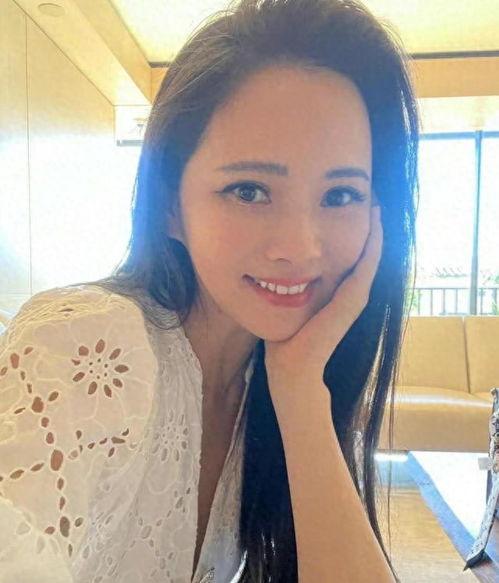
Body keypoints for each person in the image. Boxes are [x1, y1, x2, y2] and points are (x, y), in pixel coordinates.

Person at [0, 0, 419, 581]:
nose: (299, 247)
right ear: (170, 206)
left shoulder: (264, 386)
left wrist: (299, 390)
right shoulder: (87, 342)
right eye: (249, 190)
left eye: (340, 195)